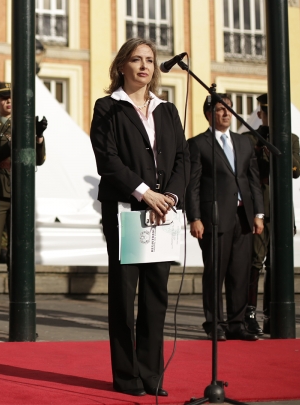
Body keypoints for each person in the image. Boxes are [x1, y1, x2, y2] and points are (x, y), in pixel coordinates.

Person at [90, 38, 188, 397]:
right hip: (125, 210)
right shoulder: (108, 108)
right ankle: (126, 375)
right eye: (136, 59)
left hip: (164, 211)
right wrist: (145, 193)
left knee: (155, 296)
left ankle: (151, 374)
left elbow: (182, 158)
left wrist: (171, 197)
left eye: (149, 60)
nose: (144, 66)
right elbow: (108, 160)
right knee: (124, 294)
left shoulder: (167, 110)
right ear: (121, 66)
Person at [186, 93, 264, 343]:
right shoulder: (198, 144)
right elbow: (193, 185)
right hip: (214, 218)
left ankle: (236, 324)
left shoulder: (243, 143)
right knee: (215, 272)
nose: (226, 113)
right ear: (209, 114)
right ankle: (214, 323)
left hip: (243, 217)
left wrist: (258, 214)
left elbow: (253, 181)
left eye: (229, 109)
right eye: (220, 109)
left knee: (239, 272)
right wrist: (194, 217)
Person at [0, 82, 46, 336]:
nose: (8, 102)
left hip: (21, 192)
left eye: (11, 99)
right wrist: (17, 138)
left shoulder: (24, 127)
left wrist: (37, 136)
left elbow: (38, 159)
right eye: (3, 99)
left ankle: (22, 315)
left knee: (20, 255)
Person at [242, 93, 300, 335]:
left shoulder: (291, 139)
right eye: (267, 113)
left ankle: (272, 314)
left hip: (282, 211)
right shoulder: (248, 138)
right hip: (259, 210)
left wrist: (273, 149)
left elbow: (295, 170)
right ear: (260, 115)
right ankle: (249, 314)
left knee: (277, 265)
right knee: (254, 263)